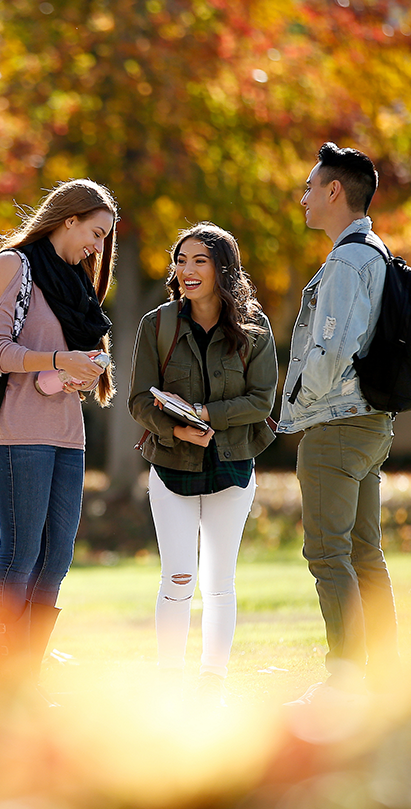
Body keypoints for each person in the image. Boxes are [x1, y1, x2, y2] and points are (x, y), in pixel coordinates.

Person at [128, 222, 277, 707]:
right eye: (181, 260)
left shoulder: (254, 326)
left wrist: (208, 416)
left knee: (219, 581)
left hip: (232, 468)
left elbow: (261, 400)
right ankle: (169, 680)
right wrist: (176, 428)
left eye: (199, 260)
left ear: (222, 268)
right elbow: (137, 401)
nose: (187, 270)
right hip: (171, 466)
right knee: (177, 577)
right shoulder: (156, 325)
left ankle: (213, 681)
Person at [0, 178, 119, 695]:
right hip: (18, 432)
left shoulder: (76, 281)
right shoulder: (13, 267)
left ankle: (26, 674)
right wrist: (59, 360)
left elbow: (58, 361)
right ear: (69, 220)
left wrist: (82, 369)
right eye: (96, 232)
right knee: (20, 555)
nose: (98, 246)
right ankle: (7, 677)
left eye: (104, 238)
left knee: (57, 555)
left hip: (67, 432)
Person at [277, 142, 400, 706]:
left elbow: (332, 348)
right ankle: (384, 679)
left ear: (334, 191)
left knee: (329, 556)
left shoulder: (349, 259)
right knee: (363, 553)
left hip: (336, 425)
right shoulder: (374, 252)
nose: (303, 198)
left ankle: (347, 678)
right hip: (369, 425)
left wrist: (294, 403)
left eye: (310, 187)